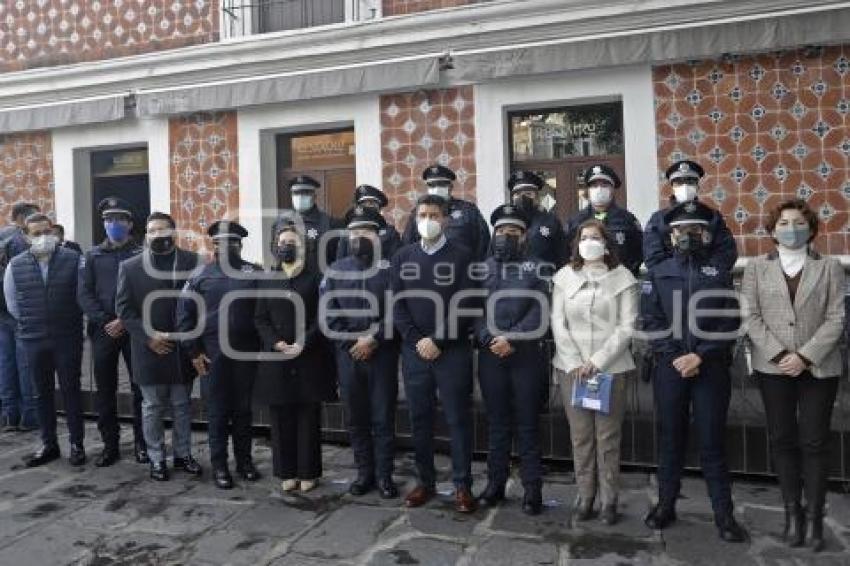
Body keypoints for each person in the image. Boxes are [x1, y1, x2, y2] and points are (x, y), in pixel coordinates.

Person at [742, 199, 846, 552]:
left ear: (811, 227)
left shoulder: (829, 266)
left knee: (815, 442)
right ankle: (793, 517)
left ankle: (815, 519)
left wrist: (804, 356)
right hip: (773, 366)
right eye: (783, 222)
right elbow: (750, 316)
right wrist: (780, 354)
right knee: (782, 439)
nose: (791, 228)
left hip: (818, 366)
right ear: (772, 230)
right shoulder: (756, 268)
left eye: (798, 222)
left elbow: (836, 318)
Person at [640, 200, 747, 542]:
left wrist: (700, 355)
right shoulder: (659, 271)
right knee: (670, 439)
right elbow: (652, 320)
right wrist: (674, 356)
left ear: (705, 234)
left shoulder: (719, 271)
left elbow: (729, 320)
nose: (688, 235)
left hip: (710, 368)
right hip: (670, 368)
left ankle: (724, 516)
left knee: (712, 442)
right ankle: (665, 506)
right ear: (671, 236)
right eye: (681, 230)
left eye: (695, 230)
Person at [393, 194, 479, 513]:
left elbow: (468, 303)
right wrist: (418, 340)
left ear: (445, 220)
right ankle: (425, 483)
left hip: (452, 351)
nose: (427, 220)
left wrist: (439, 339)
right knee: (420, 419)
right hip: (415, 352)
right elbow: (397, 304)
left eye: (433, 215)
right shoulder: (403, 256)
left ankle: (462, 486)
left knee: (457, 419)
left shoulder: (463, 256)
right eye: (422, 215)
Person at [551, 218, 638, 525]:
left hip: (610, 369)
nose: (589, 242)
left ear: (606, 243)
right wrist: (575, 361)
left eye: (596, 237)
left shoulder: (623, 277)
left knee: (608, 436)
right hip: (571, 370)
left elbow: (627, 325)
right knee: (581, 436)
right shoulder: (563, 277)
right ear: (576, 243)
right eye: (584, 237)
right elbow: (557, 323)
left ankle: (609, 499)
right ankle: (585, 494)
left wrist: (598, 361)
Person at [474, 204, 549, 515]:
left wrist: (512, 338)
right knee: (497, 424)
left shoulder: (537, 268)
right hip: (491, 356)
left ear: (523, 236)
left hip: (526, 357)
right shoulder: (482, 269)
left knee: (528, 425)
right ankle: (495, 484)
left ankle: (532, 490)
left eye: (514, 232)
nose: (507, 236)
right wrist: (490, 338)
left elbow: (540, 312)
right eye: (501, 231)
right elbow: (473, 311)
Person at [116, 212, 203, 481]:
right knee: (152, 407)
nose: (156, 234)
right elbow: (124, 309)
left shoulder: (192, 261)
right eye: (151, 230)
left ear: (173, 232)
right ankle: (156, 458)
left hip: (181, 347)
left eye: (162, 229)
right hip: (148, 348)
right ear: (145, 234)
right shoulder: (130, 266)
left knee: (181, 405)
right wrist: (148, 337)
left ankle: (183, 454)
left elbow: (201, 304)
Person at [322, 206, 399, 498]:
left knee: (383, 417)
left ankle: (384, 476)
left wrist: (374, 338)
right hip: (348, 355)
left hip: (382, 354)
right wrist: (352, 343)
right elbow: (328, 315)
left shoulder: (390, 269)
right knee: (356, 418)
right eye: (354, 232)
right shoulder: (336, 270)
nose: (359, 237)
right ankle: (363, 473)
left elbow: (397, 311)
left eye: (365, 231)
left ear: (377, 236)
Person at [177, 220, 261, 489]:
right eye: (219, 243)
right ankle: (220, 466)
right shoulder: (199, 276)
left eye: (230, 243)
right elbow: (184, 316)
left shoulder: (255, 273)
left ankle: (245, 462)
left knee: (243, 411)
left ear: (239, 245)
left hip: (246, 355)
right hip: (211, 356)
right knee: (216, 412)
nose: (224, 248)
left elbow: (265, 314)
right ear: (213, 246)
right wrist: (194, 352)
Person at [255, 220, 336, 493]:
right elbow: (260, 318)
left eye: (292, 243)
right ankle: (286, 471)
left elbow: (322, 316)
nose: (286, 247)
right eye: (282, 244)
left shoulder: (315, 278)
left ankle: (308, 471)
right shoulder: (268, 278)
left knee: (307, 416)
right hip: (277, 357)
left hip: (308, 356)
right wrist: (275, 342)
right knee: (280, 417)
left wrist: (303, 342)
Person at [3, 213, 85, 466]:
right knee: (41, 393)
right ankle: (49, 443)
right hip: (34, 338)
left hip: (67, 337)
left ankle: (76, 444)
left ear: (54, 232)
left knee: (71, 391)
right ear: (26, 237)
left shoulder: (73, 259)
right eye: (36, 234)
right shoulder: (15, 265)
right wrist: (32, 322)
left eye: (46, 232)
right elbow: (13, 303)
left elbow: (82, 295)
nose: (43, 238)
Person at [77, 197, 147, 467]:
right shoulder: (92, 256)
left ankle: (143, 444)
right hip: (103, 331)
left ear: (130, 224)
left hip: (134, 330)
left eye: (119, 220)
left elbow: (145, 292)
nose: (113, 224)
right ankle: (110, 445)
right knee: (105, 389)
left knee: (140, 387)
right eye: (108, 220)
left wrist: (124, 320)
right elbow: (84, 293)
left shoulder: (142, 254)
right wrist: (106, 320)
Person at [643, 160, 737, 272]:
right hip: (671, 282)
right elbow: (652, 258)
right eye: (679, 182)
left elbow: (726, 253)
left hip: (707, 281)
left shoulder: (712, 216)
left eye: (690, 181)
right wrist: (674, 274)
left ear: (698, 186)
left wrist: (707, 273)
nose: (685, 186)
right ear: (672, 186)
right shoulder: (658, 219)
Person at [0, 202, 40, 432]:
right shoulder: (20, 241)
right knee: (26, 364)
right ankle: (30, 416)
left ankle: (9, 415)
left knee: (5, 363)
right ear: (24, 219)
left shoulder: (1, 236)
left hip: (1, 311)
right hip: (21, 310)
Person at [565, 165, 643, 276]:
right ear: (588, 190)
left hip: (619, 281)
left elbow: (639, 252)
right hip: (585, 281)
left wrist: (628, 273)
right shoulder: (575, 221)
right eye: (594, 185)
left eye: (604, 185)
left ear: (613, 189)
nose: (599, 189)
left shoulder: (627, 219)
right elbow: (566, 253)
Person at [401, 165, 490, 260]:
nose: (436, 188)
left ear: (450, 187)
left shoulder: (468, 210)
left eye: (441, 184)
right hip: (427, 267)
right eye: (432, 185)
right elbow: (407, 245)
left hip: (462, 268)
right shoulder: (418, 213)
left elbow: (483, 245)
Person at [271, 175, 344, 272]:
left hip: (317, 282)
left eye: (305, 193)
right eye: (296, 193)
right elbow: (274, 249)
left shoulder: (330, 224)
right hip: (286, 281)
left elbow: (338, 257)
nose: (300, 197)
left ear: (314, 197)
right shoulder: (280, 222)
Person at [508, 170, 567, 269]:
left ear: (537, 196)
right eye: (518, 194)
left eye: (528, 193)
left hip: (543, 279)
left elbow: (562, 256)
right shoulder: (505, 223)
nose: (523, 198)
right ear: (512, 198)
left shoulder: (551, 221)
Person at [336, 184, 402, 261]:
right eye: (363, 204)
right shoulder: (348, 232)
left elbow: (396, 261)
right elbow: (340, 262)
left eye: (371, 203)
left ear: (379, 207)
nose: (367, 207)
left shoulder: (390, 232)